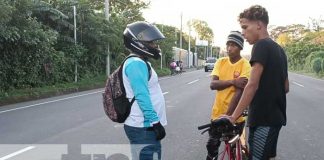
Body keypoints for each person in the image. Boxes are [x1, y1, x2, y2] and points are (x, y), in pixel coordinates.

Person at [225, 5, 289, 160]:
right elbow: (285, 87)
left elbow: (252, 85)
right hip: (275, 119)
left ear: (259, 25)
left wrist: (233, 117)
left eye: (245, 27)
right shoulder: (279, 50)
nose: (243, 33)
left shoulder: (261, 45)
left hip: (263, 120)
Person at [122, 21, 167, 160]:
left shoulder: (140, 62)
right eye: (151, 42)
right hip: (144, 127)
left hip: (144, 127)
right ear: (138, 43)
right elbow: (142, 96)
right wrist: (155, 122)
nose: (155, 46)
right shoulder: (136, 63)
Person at [206, 31, 251, 160]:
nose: (229, 48)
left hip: (234, 117)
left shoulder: (245, 65)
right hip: (217, 114)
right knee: (211, 147)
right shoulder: (221, 62)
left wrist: (228, 116)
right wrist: (233, 81)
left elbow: (239, 91)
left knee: (236, 150)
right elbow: (213, 84)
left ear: (240, 47)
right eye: (228, 44)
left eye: (234, 45)